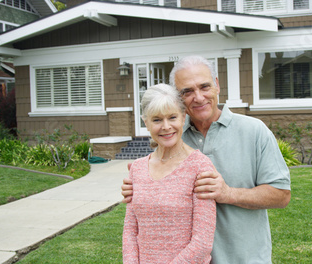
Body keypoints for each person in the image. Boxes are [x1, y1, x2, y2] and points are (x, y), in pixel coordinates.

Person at [122, 56, 291, 263]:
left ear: (217, 85)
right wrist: (141, 188)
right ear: (179, 99)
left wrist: (228, 193)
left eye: (204, 87)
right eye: (187, 91)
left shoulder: (254, 131)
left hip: (244, 258)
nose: (199, 97)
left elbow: (281, 195)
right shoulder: (172, 136)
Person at [122, 83, 216, 263]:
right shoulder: (137, 168)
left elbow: (202, 243)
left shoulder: (200, 166)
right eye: (157, 120)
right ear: (146, 122)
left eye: (172, 117)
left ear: (183, 118)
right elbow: (130, 230)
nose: (166, 126)